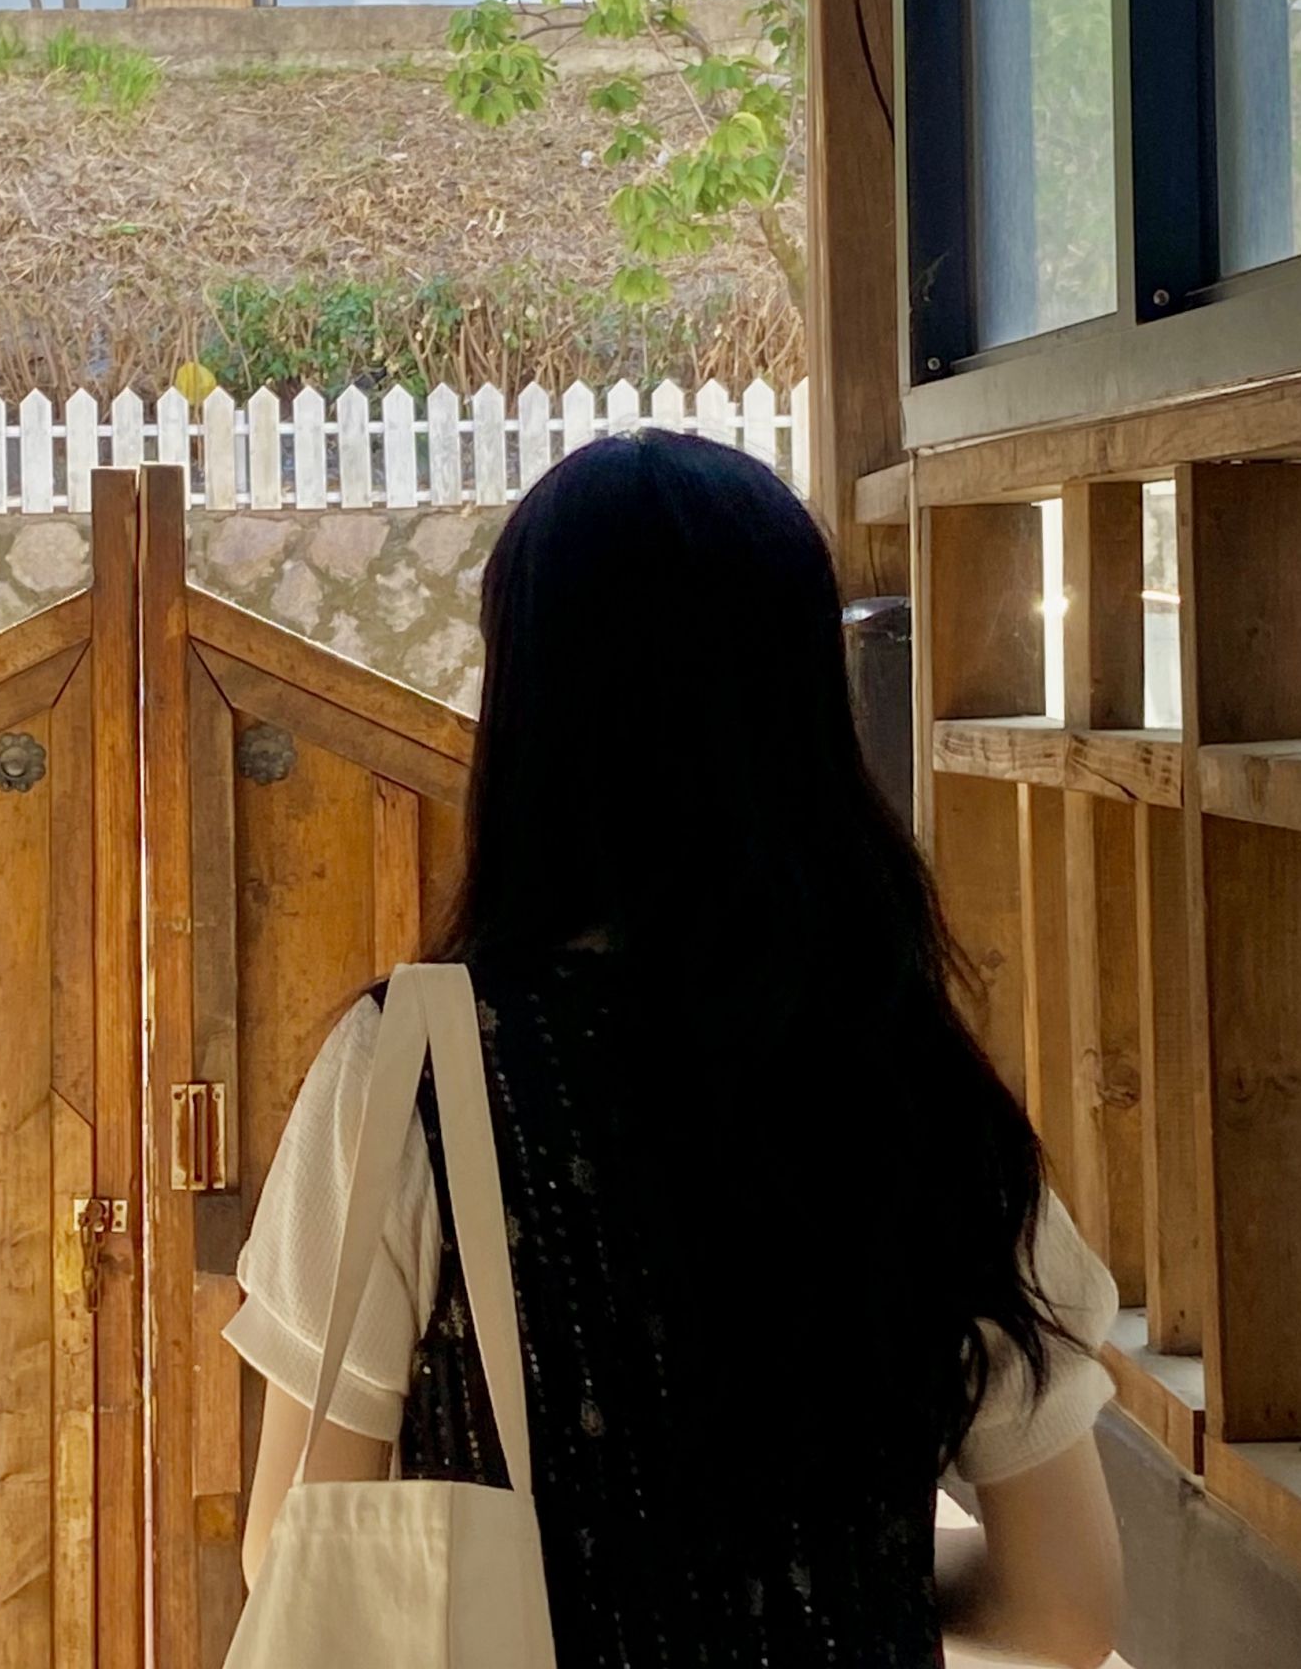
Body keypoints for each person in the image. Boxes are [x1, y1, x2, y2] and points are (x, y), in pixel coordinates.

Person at [223, 429, 1124, 1668]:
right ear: (802, 712)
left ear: (528, 714)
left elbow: (293, 1552)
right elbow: (1064, 1604)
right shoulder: (908, 1077)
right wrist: (825, 1576)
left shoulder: (420, 1065)